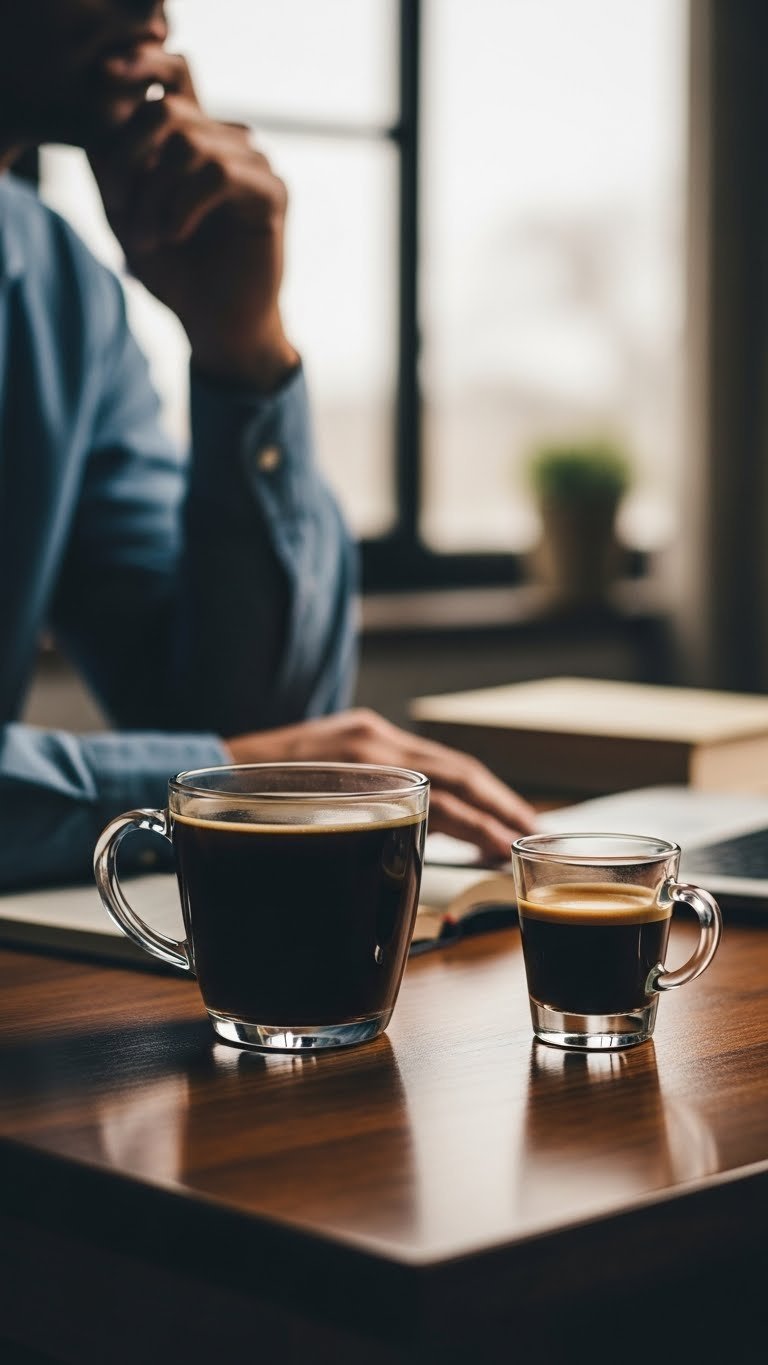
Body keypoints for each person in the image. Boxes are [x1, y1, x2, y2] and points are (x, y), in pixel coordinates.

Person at [0, 0, 535, 887]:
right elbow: (245, 764)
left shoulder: (58, 291)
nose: (155, 7)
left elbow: (254, 736)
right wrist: (214, 773)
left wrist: (242, 350)